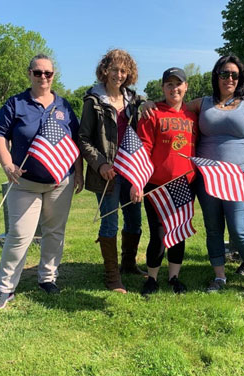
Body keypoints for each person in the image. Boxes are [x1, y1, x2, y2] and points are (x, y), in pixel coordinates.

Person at [143, 56, 244, 298]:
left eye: (234, 74)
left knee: (240, 230)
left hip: (238, 178)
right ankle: (219, 276)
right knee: (213, 230)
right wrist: (147, 103)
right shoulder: (202, 104)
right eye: (224, 74)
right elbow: (173, 106)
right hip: (207, 178)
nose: (229, 78)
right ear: (216, 76)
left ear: (239, 78)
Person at [0, 54, 83, 309]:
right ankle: (5, 288)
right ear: (29, 74)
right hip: (24, 182)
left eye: (48, 73)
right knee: (19, 235)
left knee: (55, 233)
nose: (43, 77)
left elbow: (75, 142)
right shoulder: (15, 104)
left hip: (60, 182)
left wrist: (79, 173)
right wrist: (7, 163)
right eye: (38, 72)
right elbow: (0, 134)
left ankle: (48, 278)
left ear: (54, 76)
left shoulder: (63, 106)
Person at [78, 49, 145, 294]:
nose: (119, 74)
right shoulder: (93, 101)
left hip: (131, 172)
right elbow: (83, 138)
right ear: (105, 70)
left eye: (123, 70)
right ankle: (112, 275)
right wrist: (101, 164)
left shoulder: (135, 102)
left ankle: (128, 264)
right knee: (110, 224)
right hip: (105, 174)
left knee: (135, 221)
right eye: (114, 69)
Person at [132, 67, 198, 296]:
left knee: (178, 231)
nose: (174, 88)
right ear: (163, 88)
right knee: (159, 233)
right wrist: (138, 182)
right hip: (157, 185)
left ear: (186, 87)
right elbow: (144, 149)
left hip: (184, 184)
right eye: (169, 84)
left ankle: (174, 277)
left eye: (178, 83)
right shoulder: (153, 113)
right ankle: (152, 278)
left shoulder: (191, 116)